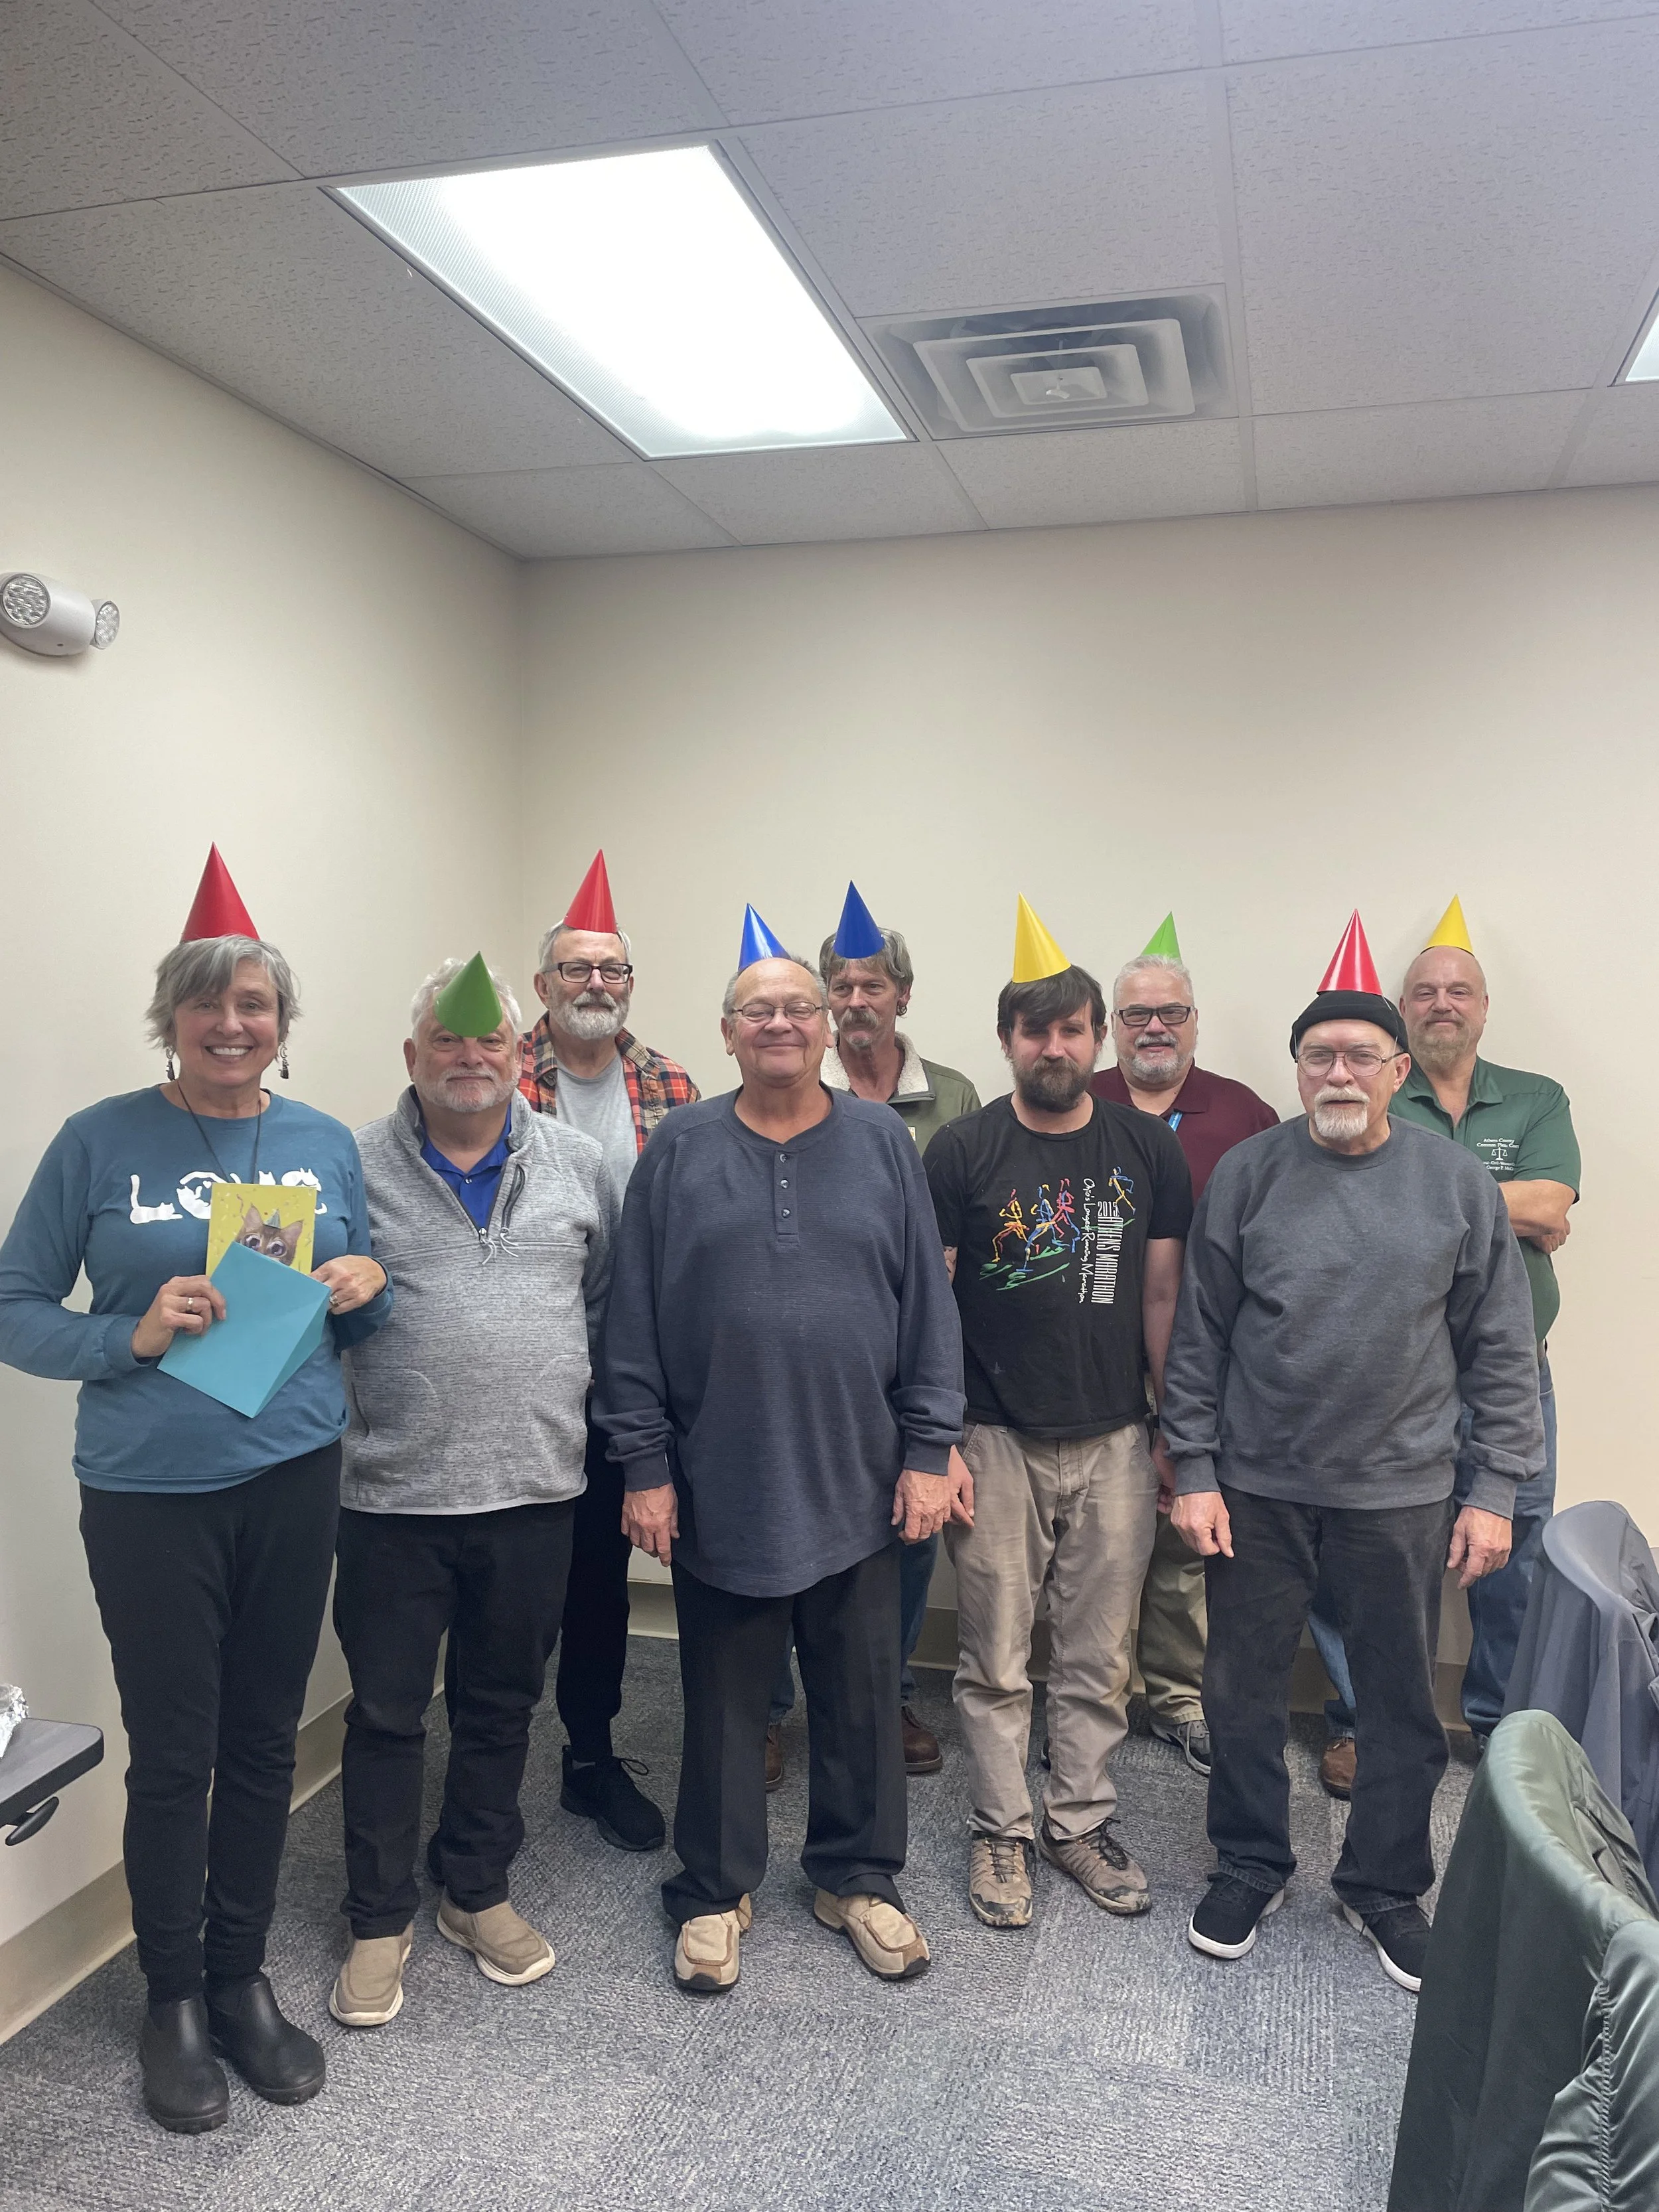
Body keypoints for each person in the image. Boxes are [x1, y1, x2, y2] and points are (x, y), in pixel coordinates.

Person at [0, 849, 390, 2135]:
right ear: (169, 1016)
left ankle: (238, 1976)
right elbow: (14, 1307)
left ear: (282, 1021)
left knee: (266, 1739)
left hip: (293, 1473)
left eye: (255, 1003)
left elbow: (358, 1300)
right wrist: (130, 1334)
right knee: (176, 1753)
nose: (233, 1023)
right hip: (150, 1490)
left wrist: (367, 1286)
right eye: (207, 1002)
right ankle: (169, 1996)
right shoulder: (98, 1141)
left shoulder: (323, 1141)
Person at [1163, 913, 1544, 1992]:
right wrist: (1194, 1469)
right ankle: (1250, 1863)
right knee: (1241, 1693)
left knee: (1398, 1705)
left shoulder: (1455, 1184)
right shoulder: (1247, 1174)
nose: (1340, 1072)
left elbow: (1500, 1344)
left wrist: (1494, 1488)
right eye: (1320, 1055)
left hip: (1402, 1492)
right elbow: (1200, 1333)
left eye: (1362, 1056)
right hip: (1257, 1487)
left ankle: (1383, 1886)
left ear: (1396, 1071)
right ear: (1297, 1069)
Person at [597, 910, 966, 1994]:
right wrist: (646, 1467)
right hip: (724, 1477)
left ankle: (859, 1878)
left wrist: (930, 1448)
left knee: (862, 1695)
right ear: (726, 1033)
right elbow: (632, 1322)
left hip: (862, 1473)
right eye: (756, 1010)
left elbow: (926, 1308)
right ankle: (714, 1888)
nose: (781, 1023)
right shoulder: (679, 1149)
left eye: (799, 1007)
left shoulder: (883, 1143)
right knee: (722, 1701)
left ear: (826, 1026)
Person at [328, 954, 616, 2029]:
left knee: (502, 1706)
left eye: (488, 1038)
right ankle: (377, 1919)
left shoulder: (581, 1163)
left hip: (537, 1492)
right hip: (392, 1497)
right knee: (387, 1715)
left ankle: (476, 1888)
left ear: (518, 1051)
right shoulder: (349, 1166)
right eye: (445, 1039)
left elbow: (604, 1302)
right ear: (413, 1054)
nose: (468, 1057)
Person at [924, 898, 1191, 1933]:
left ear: (1098, 1038)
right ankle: (1001, 1827)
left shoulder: (1146, 1148)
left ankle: (1078, 1821)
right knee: (995, 1655)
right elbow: (932, 1306)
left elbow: (1161, 1296)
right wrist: (940, 1439)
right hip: (992, 1437)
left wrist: (1172, 1433)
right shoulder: (962, 1151)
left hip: (1118, 1436)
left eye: (1072, 1029)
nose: (1055, 1046)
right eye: (1034, 1030)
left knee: (1097, 1652)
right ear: (1007, 1040)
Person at [1307, 898, 1580, 1793]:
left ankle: (1505, 1728)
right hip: (1393, 1378)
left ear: (1484, 1006)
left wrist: (1430, 1194)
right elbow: (1355, 1201)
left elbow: (1554, 1204)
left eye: (1459, 991)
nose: (1442, 1004)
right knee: (1368, 1552)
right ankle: (1362, 1722)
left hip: (1511, 1372)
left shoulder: (1537, 1098)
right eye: (1424, 992)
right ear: (1402, 1013)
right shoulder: (1370, 1091)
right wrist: (1506, 1203)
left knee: (1517, 1548)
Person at [766, 884, 981, 1787]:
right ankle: (768, 1708)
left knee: (908, 1527)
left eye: (873, 986)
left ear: (904, 995)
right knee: (779, 1520)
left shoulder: (956, 1097)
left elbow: (970, 1231)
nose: (856, 1002)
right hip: (803, 1354)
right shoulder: (787, 1080)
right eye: (841, 987)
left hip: (909, 1356)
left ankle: (882, 1693)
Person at [517, 851, 698, 1854]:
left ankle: (590, 1756)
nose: (595, 983)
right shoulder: (493, 1074)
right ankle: (483, 1771)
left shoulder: (672, 1083)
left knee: (598, 1580)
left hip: (626, 1377)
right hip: (522, 1376)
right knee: (508, 1588)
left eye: (612, 969)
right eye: (576, 968)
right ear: (544, 983)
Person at [1090, 919, 1277, 1779]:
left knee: (1181, 1537)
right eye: (1137, 1014)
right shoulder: (1078, 1102)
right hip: (1090, 1362)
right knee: (1094, 1544)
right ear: (1112, 1027)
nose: (1155, 1028)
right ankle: (1092, 1703)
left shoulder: (1244, 1115)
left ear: (1196, 1022)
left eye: (1172, 1012)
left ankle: (1176, 1699)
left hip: (1205, 1360)